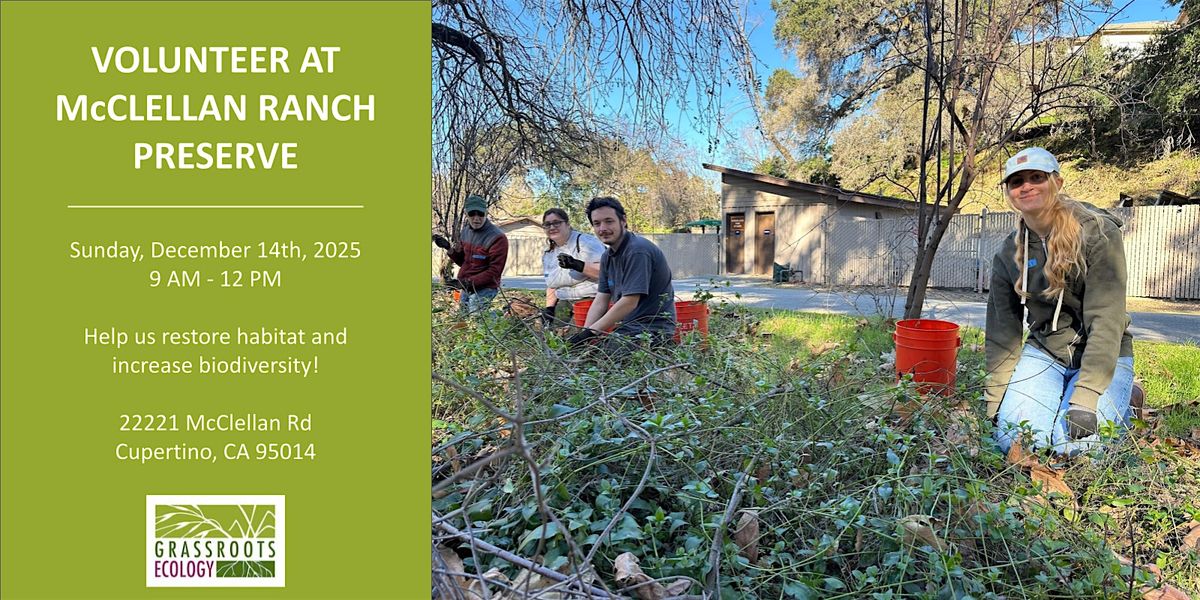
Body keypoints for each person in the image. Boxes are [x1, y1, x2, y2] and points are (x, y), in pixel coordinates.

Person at [986, 147, 1134, 456]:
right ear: (1009, 193)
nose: (1026, 186)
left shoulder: (1097, 233)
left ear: (1057, 182)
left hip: (1104, 354)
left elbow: (1107, 318)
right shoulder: (1006, 254)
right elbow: (1003, 333)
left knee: (1076, 451)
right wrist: (995, 403)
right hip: (1046, 353)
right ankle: (1064, 396)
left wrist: (1086, 396)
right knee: (1019, 442)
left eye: (1036, 177)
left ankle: (1125, 398)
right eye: (1016, 182)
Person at [568, 197, 675, 348]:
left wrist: (591, 333)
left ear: (623, 220)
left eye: (609, 221)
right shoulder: (607, 256)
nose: (602, 228)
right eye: (597, 223)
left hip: (653, 330)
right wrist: (584, 336)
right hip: (629, 327)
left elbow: (629, 302)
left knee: (605, 361)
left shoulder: (637, 251)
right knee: (585, 355)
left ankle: (666, 350)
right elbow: (601, 300)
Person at [433, 195, 509, 314]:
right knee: (462, 316)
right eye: (472, 214)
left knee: (475, 315)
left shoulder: (497, 238)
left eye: (480, 214)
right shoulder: (466, 231)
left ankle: (502, 317)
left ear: (486, 213)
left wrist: (466, 282)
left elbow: (494, 272)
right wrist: (448, 248)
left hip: (486, 287)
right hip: (467, 286)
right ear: (467, 214)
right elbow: (464, 261)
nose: (476, 218)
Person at [540, 208, 606, 326]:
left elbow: (605, 272)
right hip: (564, 302)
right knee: (552, 336)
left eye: (556, 223)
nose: (552, 227)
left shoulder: (586, 243)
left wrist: (577, 265)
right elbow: (552, 284)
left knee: (577, 339)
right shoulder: (548, 253)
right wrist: (549, 308)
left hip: (590, 300)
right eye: (547, 224)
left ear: (567, 224)